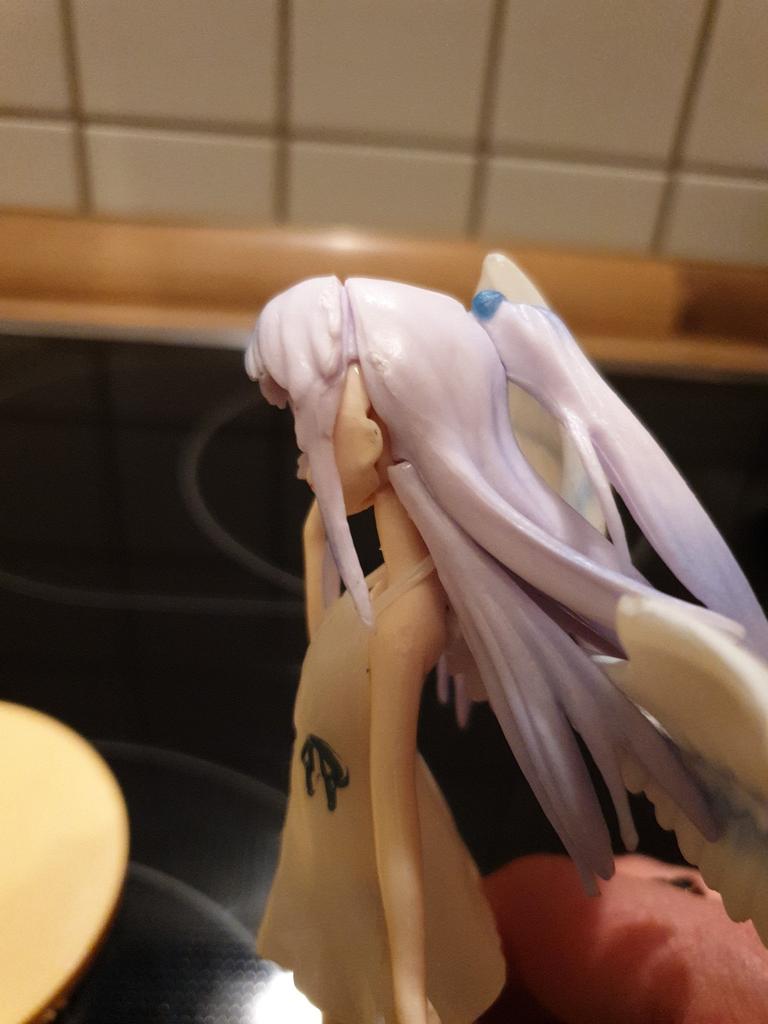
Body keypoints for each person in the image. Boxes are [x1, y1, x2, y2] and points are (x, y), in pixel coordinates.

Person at [246, 274, 768, 1024]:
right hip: (323, 832)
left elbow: (395, 831)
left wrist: (407, 989)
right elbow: (323, 663)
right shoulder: (381, 594)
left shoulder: (406, 619)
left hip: (364, 871)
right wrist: (318, 533)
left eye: (311, 425)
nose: (303, 450)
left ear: (372, 426)